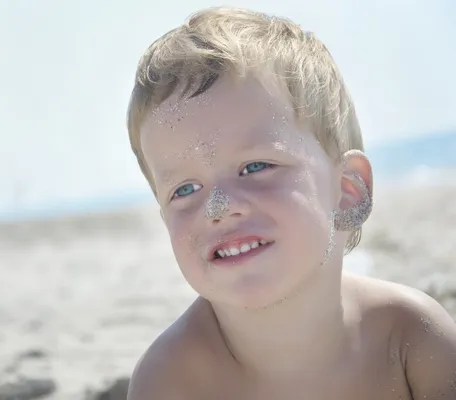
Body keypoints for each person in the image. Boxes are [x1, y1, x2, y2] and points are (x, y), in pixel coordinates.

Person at [124, 6, 456, 399]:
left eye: (255, 166)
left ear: (348, 188)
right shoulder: (171, 381)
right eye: (184, 190)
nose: (218, 206)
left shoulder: (408, 337)